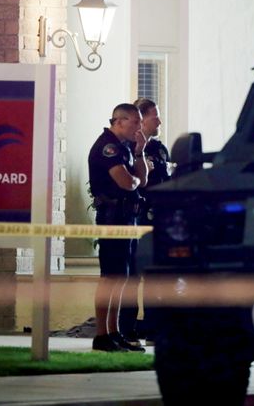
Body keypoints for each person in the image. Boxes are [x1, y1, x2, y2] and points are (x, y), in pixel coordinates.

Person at [88, 103, 148, 352]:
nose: (139, 127)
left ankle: (114, 331)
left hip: (127, 218)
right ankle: (102, 335)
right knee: (110, 277)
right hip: (113, 218)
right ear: (119, 121)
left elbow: (141, 180)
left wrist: (141, 151)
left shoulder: (126, 148)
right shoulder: (108, 146)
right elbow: (127, 182)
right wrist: (133, 178)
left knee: (122, 277)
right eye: (136, 122)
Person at [124, 97, 172, 344]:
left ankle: (154, 328)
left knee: (157, 277)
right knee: (131, 276)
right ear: (141, 121)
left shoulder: (161, 149)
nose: (160, 121)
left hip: (160, 222)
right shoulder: (127, 149)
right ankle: (128, 330)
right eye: (155, 116)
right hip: (137, 219)